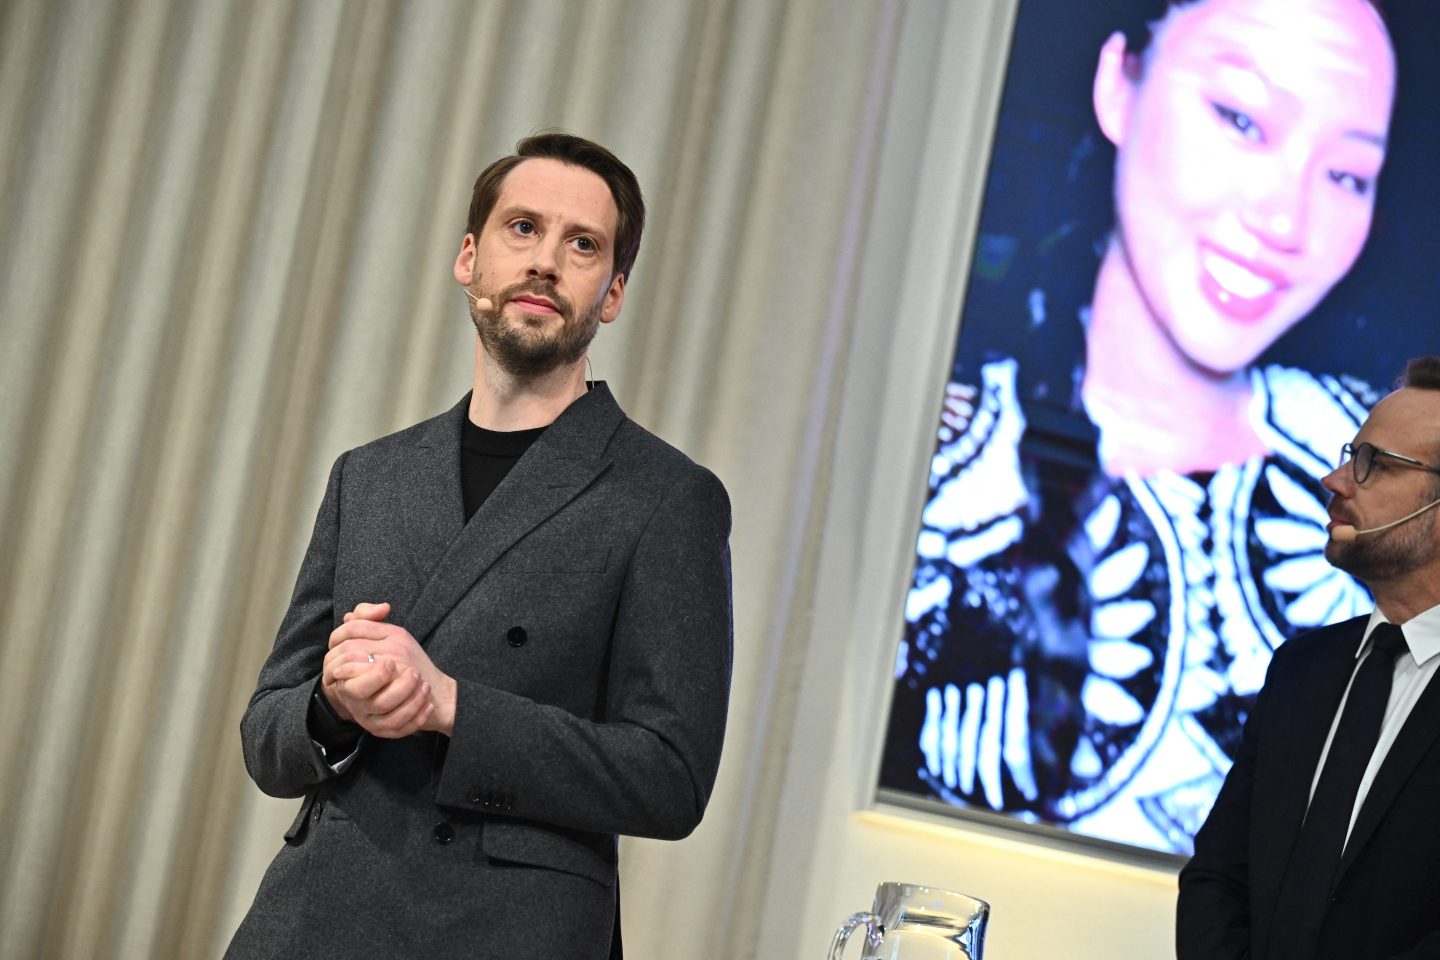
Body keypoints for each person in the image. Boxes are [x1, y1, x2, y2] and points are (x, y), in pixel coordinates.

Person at [879, 0, 1396, 853]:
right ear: (1120, 84)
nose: (1285, 222)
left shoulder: (1389, 465)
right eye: (1241, 119)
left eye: (1346, 175)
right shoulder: (939, 456)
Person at [225, 133, 734, 960]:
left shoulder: (667, 497)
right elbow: (266, 737)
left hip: (508, 933)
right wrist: (332, 706)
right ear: (470, 257)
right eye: (522, 228)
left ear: (612, 294)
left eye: (582, 244)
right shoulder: (370, 475)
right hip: (315, 920)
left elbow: (671, 778)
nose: (545, 262)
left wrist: (451, 707)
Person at [1177, 356, 1440, 959]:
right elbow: (1218, 875)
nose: (1334, 480)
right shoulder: (1301, 668)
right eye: (1351, 455)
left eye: (1374, 463)